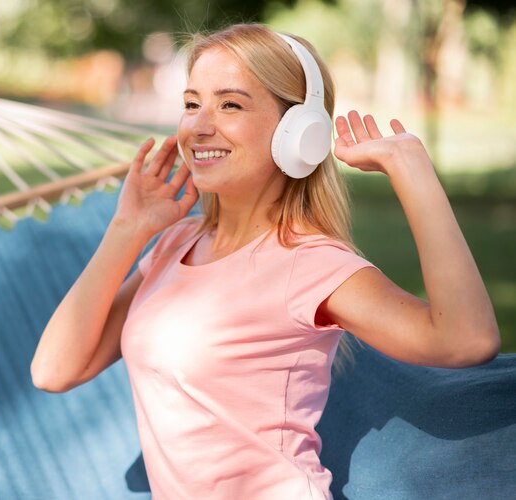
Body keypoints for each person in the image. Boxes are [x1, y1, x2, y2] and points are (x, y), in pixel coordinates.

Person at [30, 23, 500, 500]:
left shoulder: (310, 264)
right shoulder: (175, 244)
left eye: (230, 104)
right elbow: (54, 371)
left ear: (298, 131)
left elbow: (466, 339)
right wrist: (126, 229)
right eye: (192, 103)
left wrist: (412, 170)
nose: (198, 125)